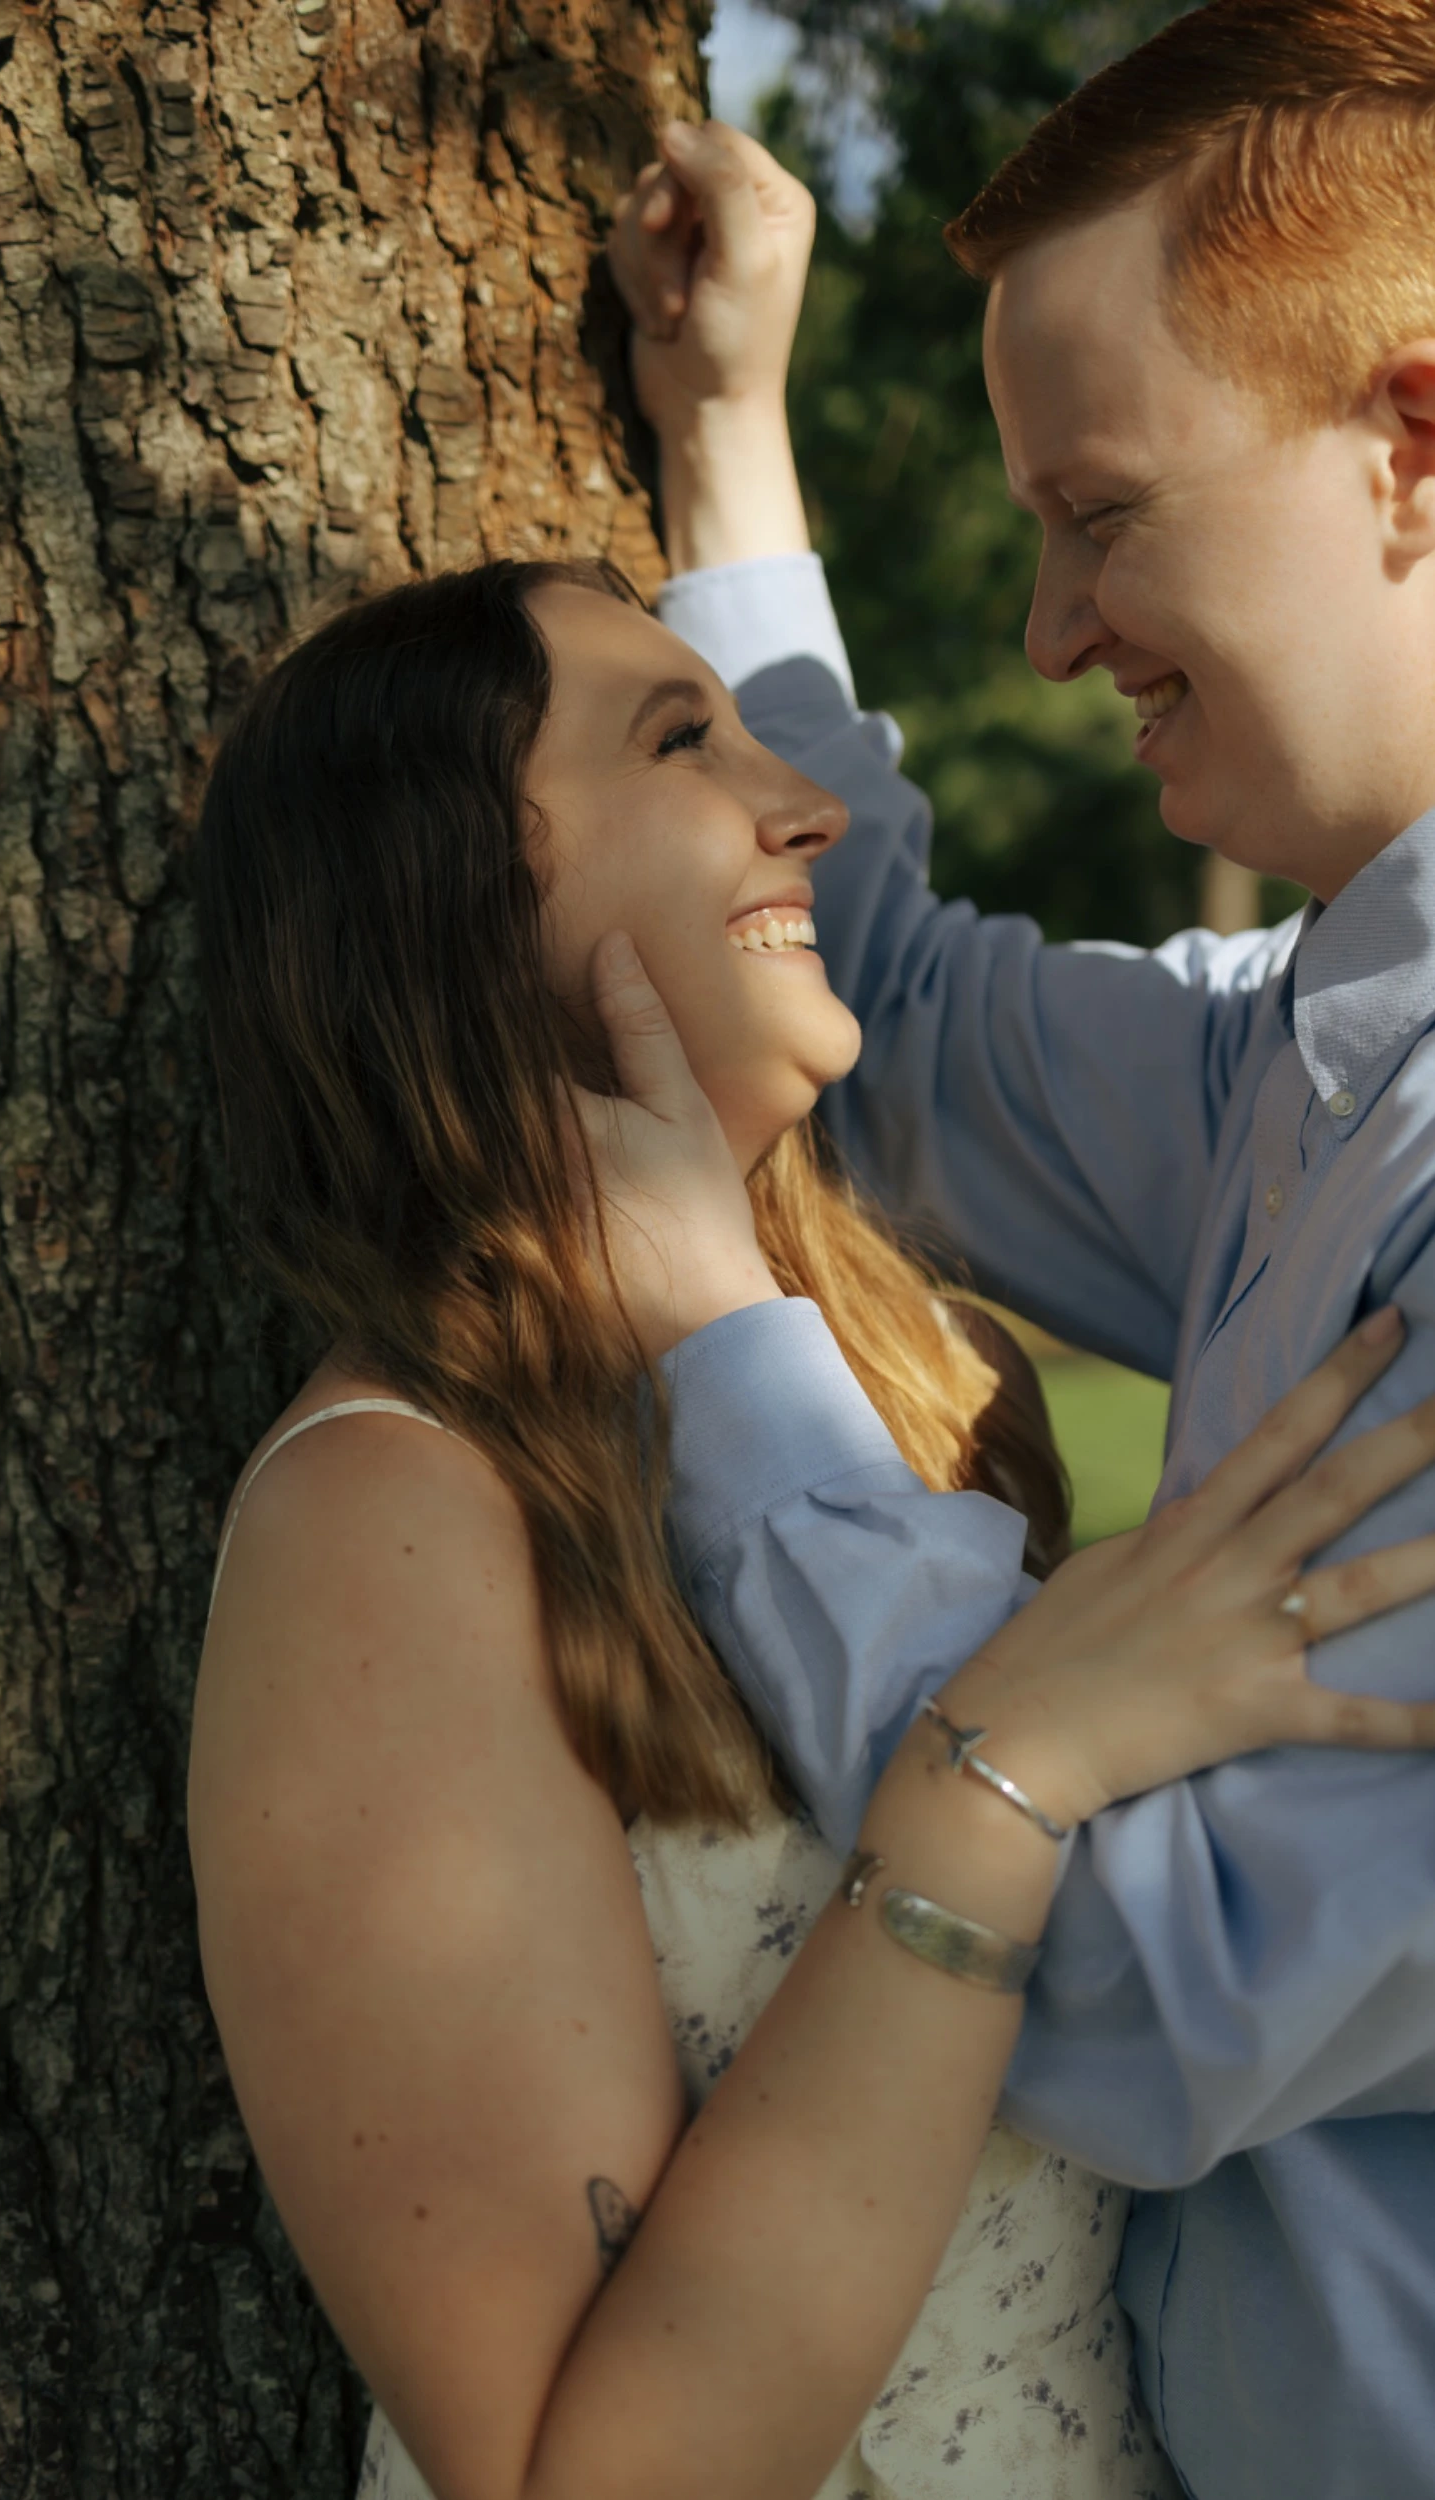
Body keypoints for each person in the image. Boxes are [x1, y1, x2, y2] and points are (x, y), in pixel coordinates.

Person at [187, 555, 1435, 2500]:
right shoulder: (394, 1511)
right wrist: (995, 1777)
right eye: (683, 740)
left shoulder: (930, 1385)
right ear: (447, 888)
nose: (808, 807)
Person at [599, 5, 1435, 2496]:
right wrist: (721, 441)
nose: (1058, 630)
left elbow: (1131, 1984)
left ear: (1414, 442)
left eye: (1102, 508)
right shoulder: (1303, 1052)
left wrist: (712, 1343)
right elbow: (924, 1041)